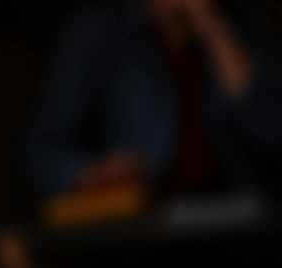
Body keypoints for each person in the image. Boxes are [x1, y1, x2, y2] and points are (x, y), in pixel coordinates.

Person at [26, 0, 282, 198]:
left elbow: (269, 131)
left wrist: (214, 28)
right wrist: (93, 173)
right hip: (140, 227)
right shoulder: (100, 32)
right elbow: (42, 154)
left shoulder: (245, 23)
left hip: (237, 222)